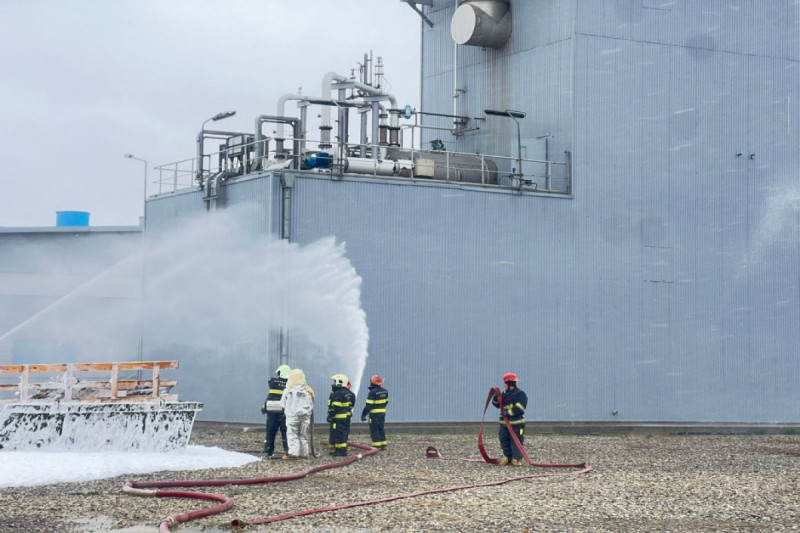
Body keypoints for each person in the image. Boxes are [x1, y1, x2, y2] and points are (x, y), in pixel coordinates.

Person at [491, 372, 528, 466]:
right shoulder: (503, 394)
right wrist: (495, 398)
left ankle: (518, 459)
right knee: (504, 441)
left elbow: (520, 407)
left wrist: (508, 413)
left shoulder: (520, 394)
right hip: (504, 423)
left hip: (517, 423)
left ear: (507, 383)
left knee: (516, 441)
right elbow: (497, 405)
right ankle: (508, 458)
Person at [279, 368, 315, 460]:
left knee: (292, 434)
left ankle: (293, 454)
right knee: (303, 434)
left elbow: (282, 404)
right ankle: (304, 453)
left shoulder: (288, 390)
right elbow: (311, 403)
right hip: (305, 417)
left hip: (292, 417)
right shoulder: (308, 390)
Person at [261, 364, 290, 458]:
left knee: (270, 431)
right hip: (284, 412)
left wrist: (264, 407)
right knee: (286, 432)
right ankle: (288, 451)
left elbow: (270, 397)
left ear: (280, 373)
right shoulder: (290, 385)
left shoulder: (272, 381)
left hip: (272, 410)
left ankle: (269, 451)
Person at [327, 373, 356, 457]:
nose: (333, 383)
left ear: (340, 382)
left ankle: (341, 451)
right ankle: (340, 449)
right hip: (346, 417)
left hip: (338, 418)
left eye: (335, 382)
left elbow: (336, 406)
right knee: (344, 433)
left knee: (338, 434)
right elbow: (351, 405)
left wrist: (330, 415)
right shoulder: (351, 394)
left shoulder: (338, 393)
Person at [360, 374, 389, 450]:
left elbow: (368, 405)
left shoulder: (372, 392)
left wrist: (363, 415)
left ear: (373, 382)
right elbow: (386, 402)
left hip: (374, 414)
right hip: (382, 413)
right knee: (381, 428)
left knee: (374, 429)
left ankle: (376, 446)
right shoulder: (385, 391)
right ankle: (383, 445)